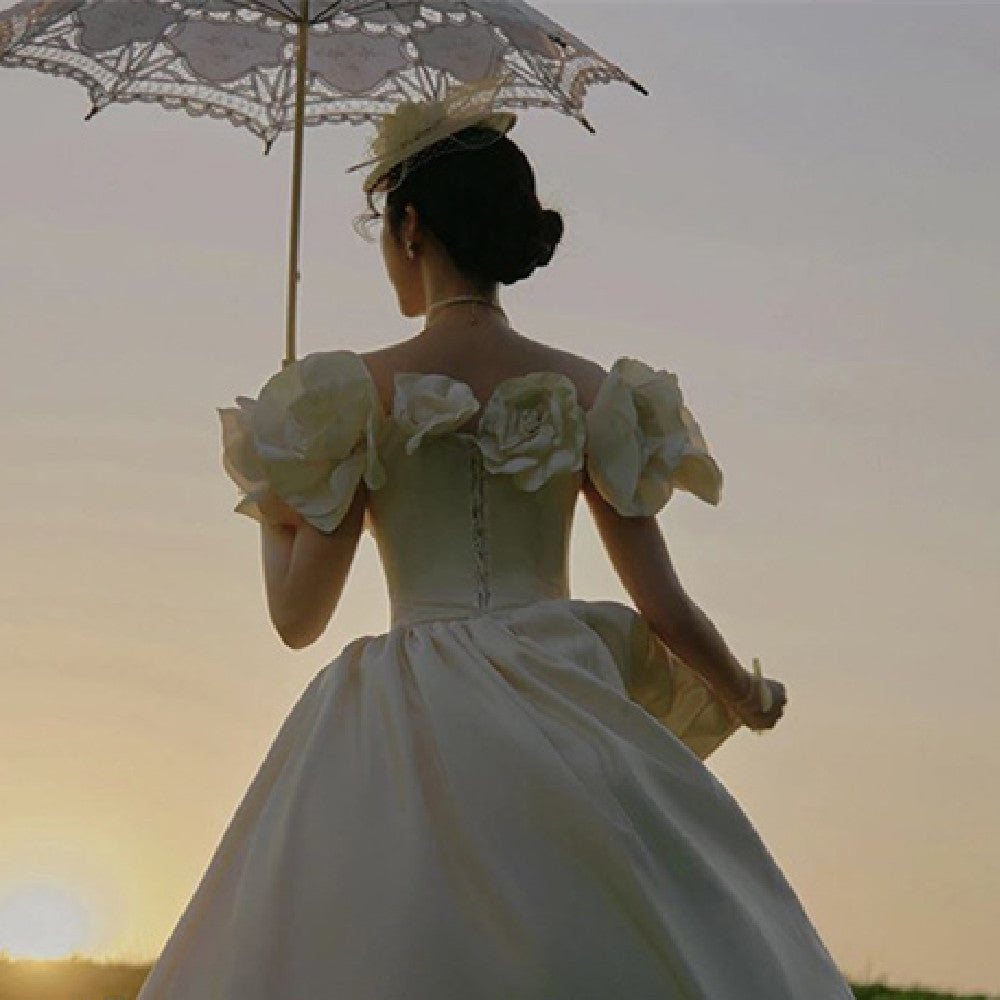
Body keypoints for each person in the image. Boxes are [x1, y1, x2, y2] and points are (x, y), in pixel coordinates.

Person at [138, 77, 855, 999]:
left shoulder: (350, 393)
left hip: (407, 713)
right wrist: (745, 694)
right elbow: (664, 607)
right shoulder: (596, 390)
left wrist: (278, 506)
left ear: (410, 231)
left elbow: (297, 617)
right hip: (563, 695)